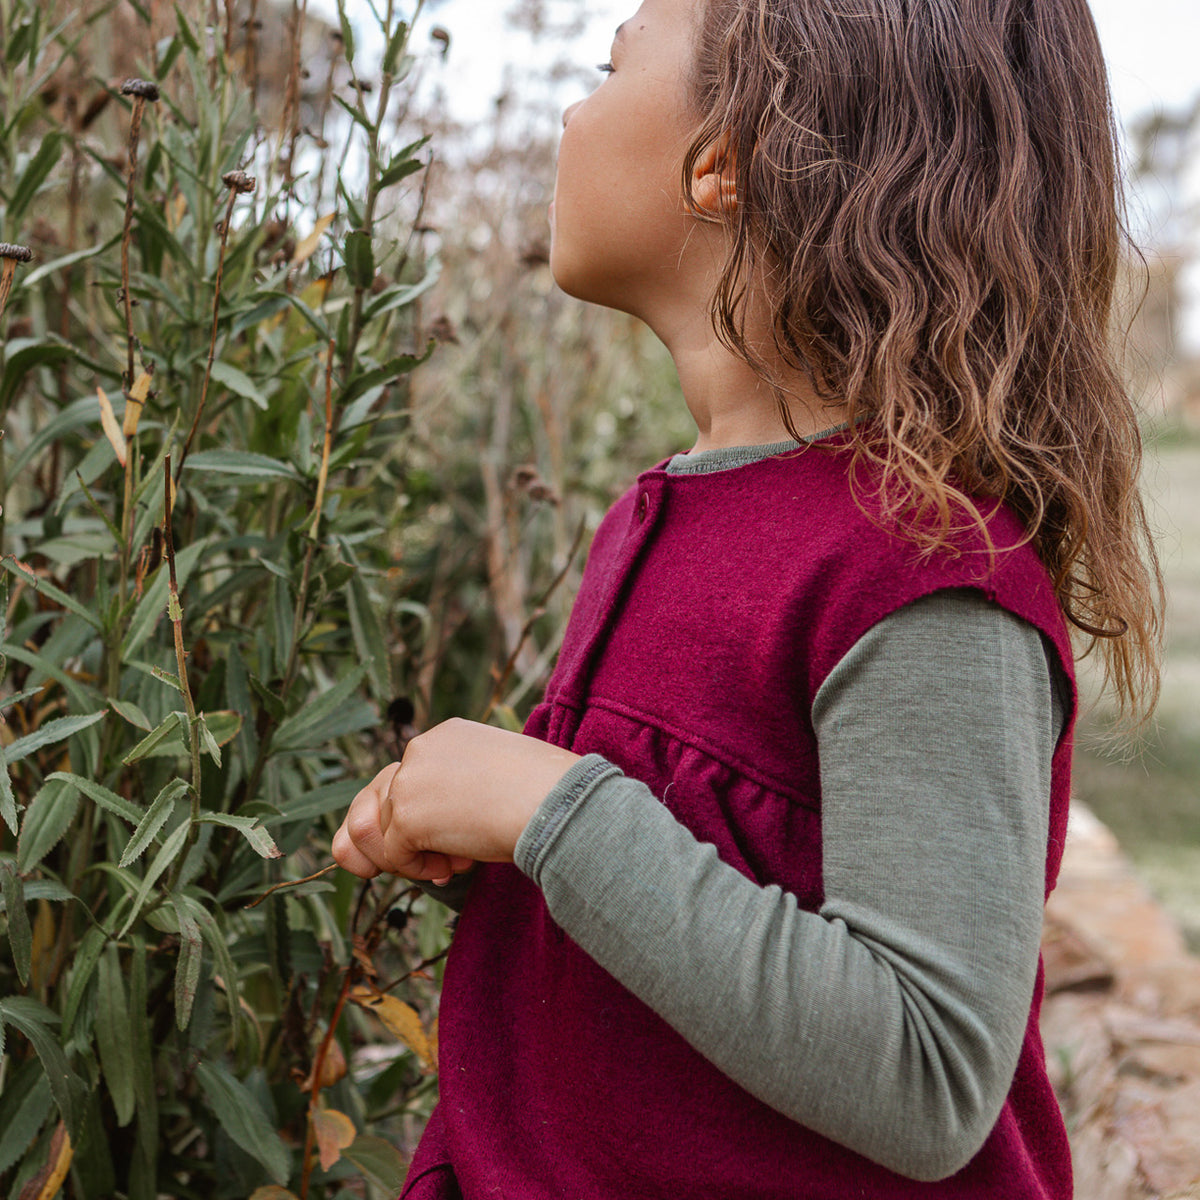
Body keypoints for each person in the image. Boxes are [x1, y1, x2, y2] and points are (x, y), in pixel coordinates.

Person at [332, 0, 1163, 1195]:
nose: (571, 111)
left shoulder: (920, 562)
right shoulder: (668, 512)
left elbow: (929, 1071)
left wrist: (554, 811)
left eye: (605, 64)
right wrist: (499, 837)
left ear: (720, 163)